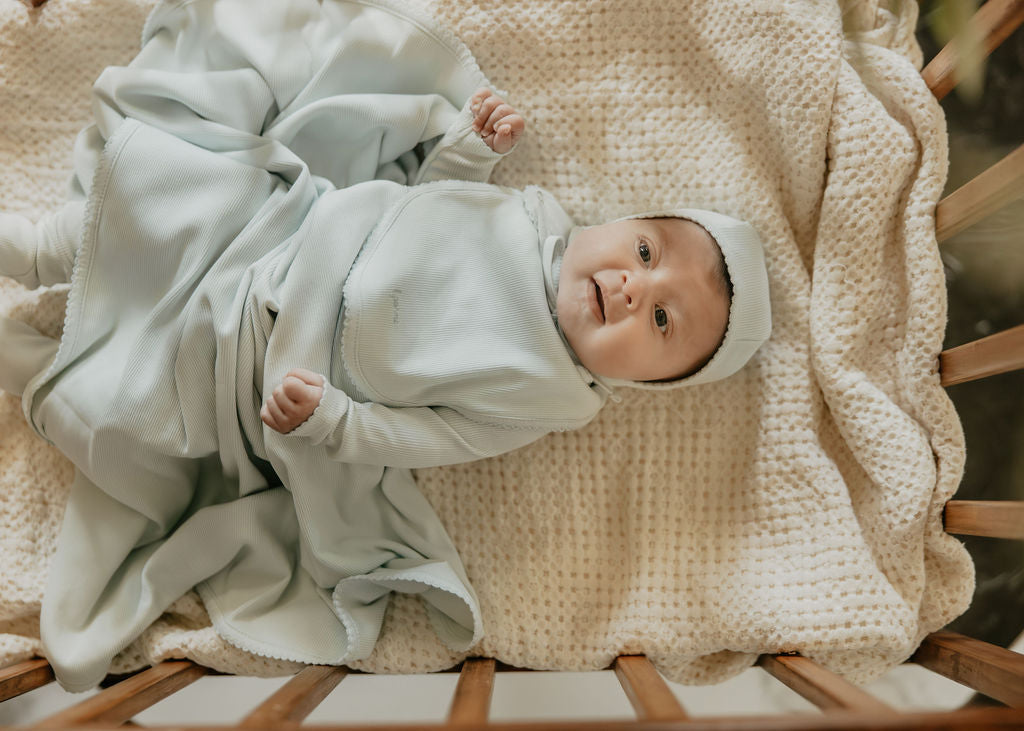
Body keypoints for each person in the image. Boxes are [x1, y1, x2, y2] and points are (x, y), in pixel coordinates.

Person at [0, 0, 769, 691]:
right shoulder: (533, 215)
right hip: (292, 229)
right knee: (183, 188)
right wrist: (472, 146)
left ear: (644, 384)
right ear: (617, 225)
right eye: (644, 250)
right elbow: (426, 206)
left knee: (139, 413)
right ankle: (37, 249)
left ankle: (36, 361)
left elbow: (431, 433)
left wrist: (334, 420)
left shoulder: (551, 394)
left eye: (664, 323)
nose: (638, 288)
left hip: (281, 363)